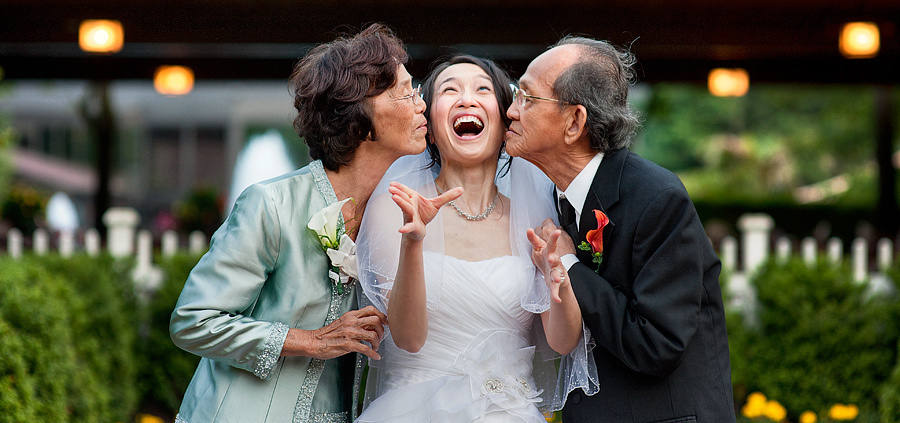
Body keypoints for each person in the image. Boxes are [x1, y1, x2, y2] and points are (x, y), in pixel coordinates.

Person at [169, 24, 429, 423]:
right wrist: (310, 341)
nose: (421, 104)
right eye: (406, 91)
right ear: (361, 117)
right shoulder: (271, 204)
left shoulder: (399, 216)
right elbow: (193, 320)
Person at [356, 55, 598, 423]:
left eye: (482, 89)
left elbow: (562, 342)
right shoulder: (397, 208)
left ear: (505, 123)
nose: (467, 99)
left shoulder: (537, 218)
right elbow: (408, 338)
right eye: (449, 90)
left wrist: (559, 279)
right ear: (430, 129)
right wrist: (414, 242)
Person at [505, 37, 736, 423]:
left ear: (574, 122)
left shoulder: (657, 199)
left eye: (527, 97)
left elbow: (657, 343)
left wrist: (569, 265)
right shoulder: (551, 200)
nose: (511, 110)